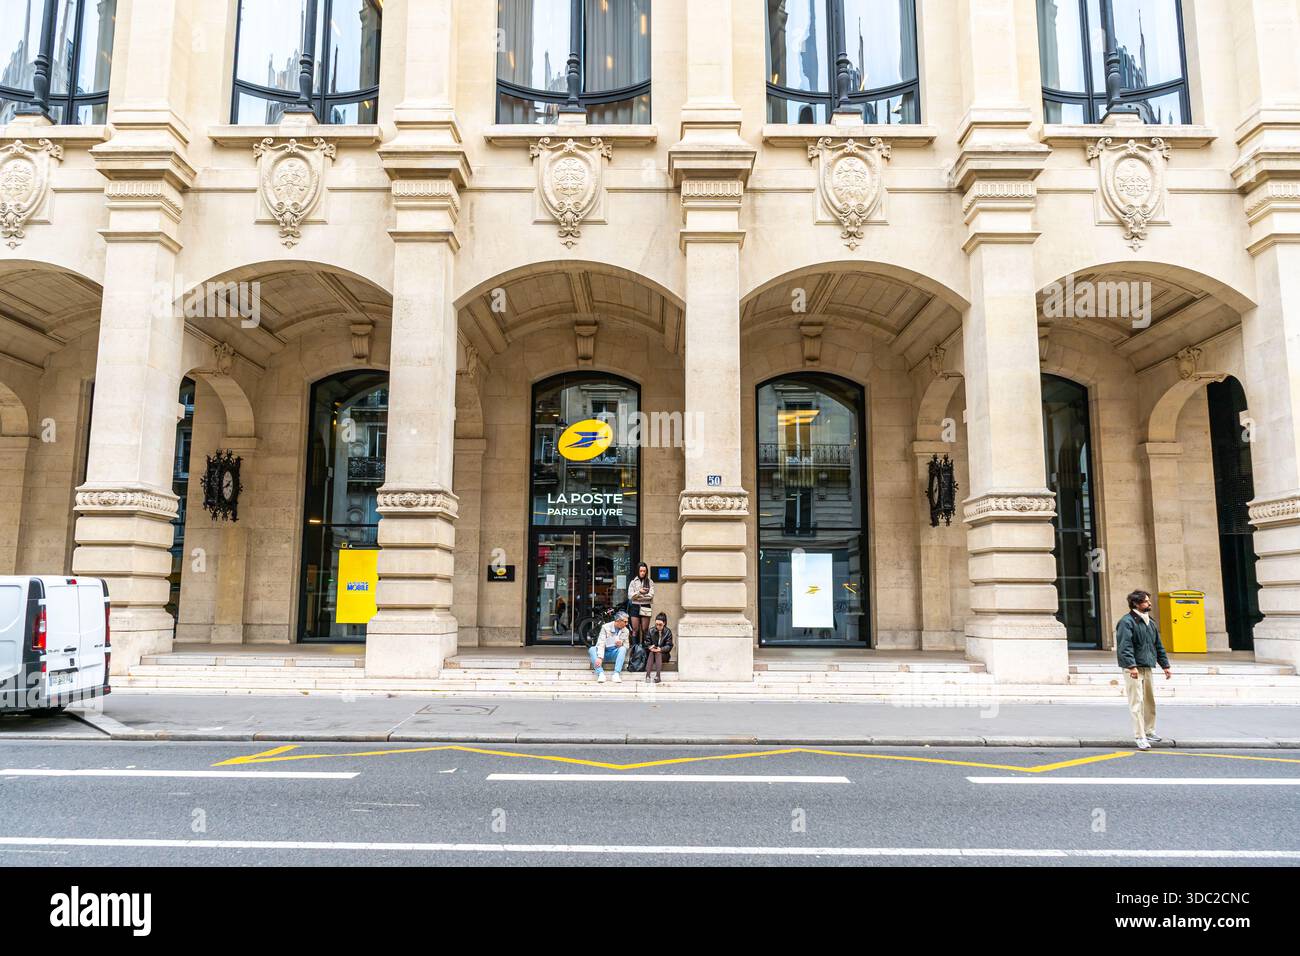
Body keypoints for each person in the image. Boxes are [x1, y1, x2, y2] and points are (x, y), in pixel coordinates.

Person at [1115, 589, 1172, 750]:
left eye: (1148, 601)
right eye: (1146, 601)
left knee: (1149, 701)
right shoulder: (1127, 622)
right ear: (1136, 603)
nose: (1149, 604)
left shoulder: (1150, 622)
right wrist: (1131, 666)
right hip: (1133, 668)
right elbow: (1124, 646)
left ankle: (1149, 731)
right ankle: (1140, 736)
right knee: (1137, 703)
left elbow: (1158, 645)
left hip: (1147, 666)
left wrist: (1165, 666)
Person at [589, 610, 630, 684]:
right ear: (618, 620)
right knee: (592, 649)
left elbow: (627, 646)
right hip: (604, 653)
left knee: (623, 649)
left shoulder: (626, 630)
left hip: (615, 653)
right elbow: (601, 642)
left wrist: (622, 644)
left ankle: (616, 674)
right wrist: (600, 657)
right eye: (625, 621)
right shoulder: (605, 627)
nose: (626, 624)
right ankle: (600, 673)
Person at [626, 562, 655, 644]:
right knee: (635, 629)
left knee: (645, 630)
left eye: (644, 571)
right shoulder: (633, 582)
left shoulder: (650, 582)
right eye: (641, 571)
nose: (642, 573)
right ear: (638, 571)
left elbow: (651, 596)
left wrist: (638, 596)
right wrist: (640, 592)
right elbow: (630, 596)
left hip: (646, 606)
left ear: (646, 571)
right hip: (635, 607)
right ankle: (635, 651)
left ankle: (644, 651)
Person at [644, 612, 674, 683]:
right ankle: (647, 675)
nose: (658, 626)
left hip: (664, 655)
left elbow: (669, 646)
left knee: (658, 653)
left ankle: (658, 676)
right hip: (652, 654)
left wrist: (660, 649)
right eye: (656, 624)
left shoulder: (668, 632)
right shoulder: (651, 631)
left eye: (660, 624)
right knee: (652, 652)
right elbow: (646, 643)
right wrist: (650, 647)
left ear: (664, 623)